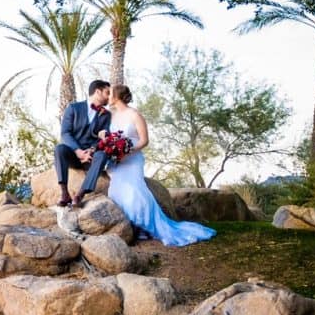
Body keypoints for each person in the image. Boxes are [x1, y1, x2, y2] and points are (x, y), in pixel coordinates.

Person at [102, 85, 215, 247]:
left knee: (135, 191)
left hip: (132, 159)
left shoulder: (135, 115)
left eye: (110, 93)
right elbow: (109, 137)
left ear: (117, 96)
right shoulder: (111, 116)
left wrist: (129, 150)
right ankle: (132, 227)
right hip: (118, 161)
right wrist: (112, 148)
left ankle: (145, 226)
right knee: (116, 191)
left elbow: (144, 140)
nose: (108, 97)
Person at [54, 79, 112, 207]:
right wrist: (78, 151)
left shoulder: (106, 115)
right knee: (59, 148)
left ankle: (80, 194)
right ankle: (64, 193)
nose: (110, 96)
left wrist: (92, 149)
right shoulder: (73, 108)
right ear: (98, 92)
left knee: (102, 155)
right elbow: (65, 133)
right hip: (73, 155)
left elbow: (103, 138)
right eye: (107, 92)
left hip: (91, 158)